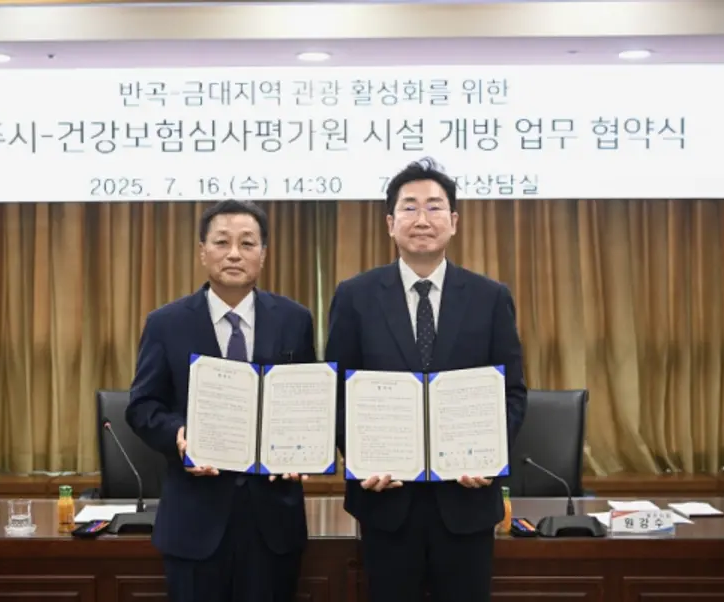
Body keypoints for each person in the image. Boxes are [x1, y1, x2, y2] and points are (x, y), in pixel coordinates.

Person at [325, 158, 527, 602]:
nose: (422, 219)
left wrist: (490, 456)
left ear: (453, 222)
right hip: (386, 500)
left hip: (467, 501)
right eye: (410, 207)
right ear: (390, 223)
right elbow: (336, 393)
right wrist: (359, 457)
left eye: (434, 207)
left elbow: (512, 393)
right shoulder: (355, 296)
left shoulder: (490, 297)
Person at [126, 199, 314, 602]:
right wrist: (178, 434)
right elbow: (143, 406)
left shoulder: (294, 320)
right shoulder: (166, 323)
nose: (234, 254)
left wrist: (302, 449)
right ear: (202, 251)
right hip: (194, 521)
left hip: (272, 522)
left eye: (247, 243)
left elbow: (306, 402)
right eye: (222, 242)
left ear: (263, 253)